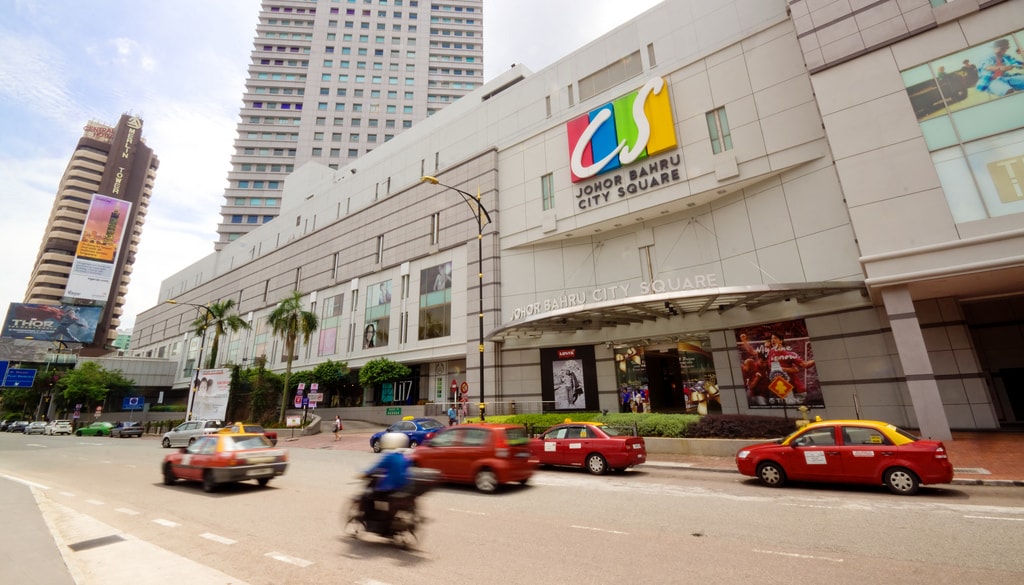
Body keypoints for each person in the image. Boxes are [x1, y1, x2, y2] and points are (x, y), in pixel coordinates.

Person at [360, 432, 412, 522]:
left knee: (370, 496)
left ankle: (374, 518)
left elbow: (376, 467)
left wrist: (365, 473)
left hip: (391, 485)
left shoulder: (389, 456)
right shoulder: (404, 456)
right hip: (404, 485)